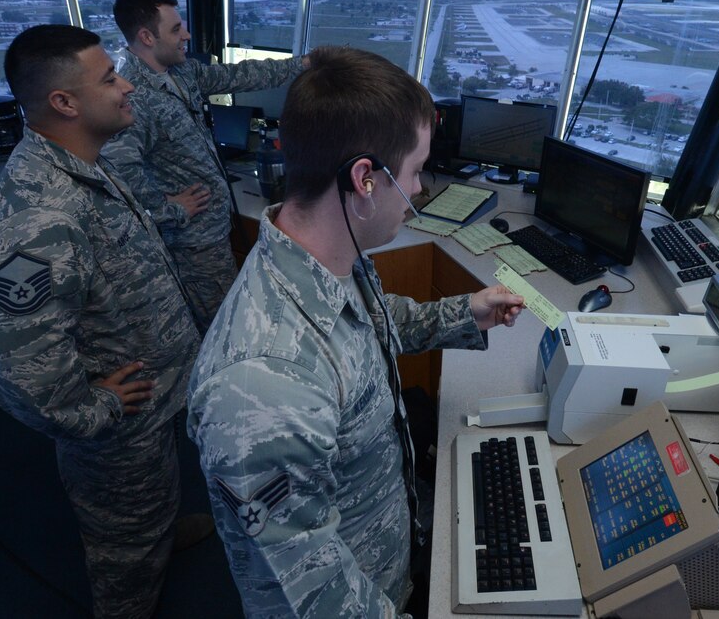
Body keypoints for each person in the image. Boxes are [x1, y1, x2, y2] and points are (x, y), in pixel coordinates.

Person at [187, 46, 525, 617]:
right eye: (415, 171)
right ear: (365, 179)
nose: (419, 190)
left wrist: (465, 313)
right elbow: (314, 600)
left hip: (388, 550)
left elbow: (367, 324)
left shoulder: (324, 254)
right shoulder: (262, 389)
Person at [0, 24, 205, 619]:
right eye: (109, 79)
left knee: (153, 501)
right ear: (64, 102)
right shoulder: (42, 214)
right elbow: (15, 369)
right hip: (116, 426)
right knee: (123, 543)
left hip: (148, 400)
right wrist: (94, 410)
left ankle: (160, 531)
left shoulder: (79, 164)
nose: (127, 85)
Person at [102, 0, 305, 330]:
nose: (186, 35)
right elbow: (115, 170)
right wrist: (168, 208)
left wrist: (304, 64)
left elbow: (240, 75)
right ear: (147, 37)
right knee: (223, 328)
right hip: (190, 243)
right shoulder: (132, 95)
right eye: (175, 29)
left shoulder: (180, 72)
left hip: (214, 229)